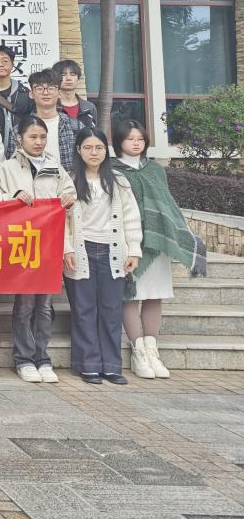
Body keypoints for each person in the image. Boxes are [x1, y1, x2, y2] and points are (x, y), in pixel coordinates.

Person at [113, 120, 205, 380]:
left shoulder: (154, 169)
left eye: (140, 139)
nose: (136, 143)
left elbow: (167, 204)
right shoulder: (112, 170)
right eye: (130, 139)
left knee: (155, 295)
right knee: (131, 295)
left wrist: (182, 234)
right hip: (128, 243)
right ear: (119, 141)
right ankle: (138, 351)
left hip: (158, 243)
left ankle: (152, 350)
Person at [0, 116, 76, 383]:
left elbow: (70, 195)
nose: (38, 142)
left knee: (45, 306)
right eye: (33, 137)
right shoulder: (7, 168)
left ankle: (42, 357)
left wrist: (69, 199)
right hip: (23, 244)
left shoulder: (55, 166)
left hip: (50, 245)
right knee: (25, 304)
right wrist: (14, 197)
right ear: (20, 138)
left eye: (42, 137)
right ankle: (24, 358)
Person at [65, 127, 142, 385]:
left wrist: (134, 250)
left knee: (111, 309)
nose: (94, 153)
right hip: (82, 250)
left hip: (113, 251)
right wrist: (67, 249)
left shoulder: (118, 181)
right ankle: (88, 365)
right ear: (78, 150)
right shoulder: (69, 181)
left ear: (106, 151)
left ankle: (111, 366)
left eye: (99, 148)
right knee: (84, 310)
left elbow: (131, 217)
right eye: (88, 147)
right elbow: (62, 220)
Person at [8, 67, 76, 166]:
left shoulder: (75, 126)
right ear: (31, 94)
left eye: (51, 88)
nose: (45, 93)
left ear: (59, 93)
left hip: (65, 176)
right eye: (39, 88)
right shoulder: (18, 130)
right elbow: (12, 165)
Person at [0, 45, 32, 152]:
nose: (0, 64)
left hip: (20, 151)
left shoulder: (24, 93)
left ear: (13, 65)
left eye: (5, 61)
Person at [52, 58, 98, 132]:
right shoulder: (50, 107)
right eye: (63, 74)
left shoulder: (89, 107)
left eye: (72, 74)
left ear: (78, 79)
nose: (68, 78)